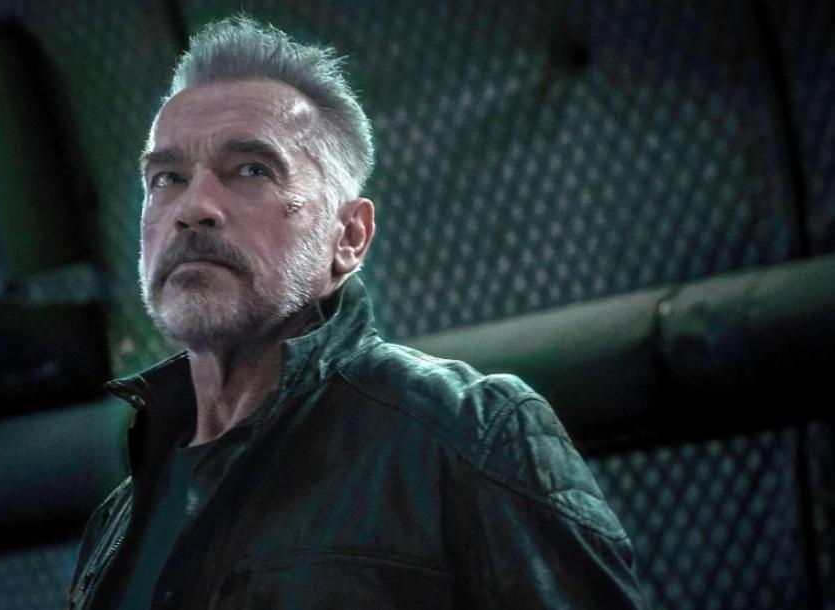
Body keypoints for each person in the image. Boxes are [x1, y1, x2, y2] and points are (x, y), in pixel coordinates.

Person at [68, 16, 644, 609]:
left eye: (252, 170)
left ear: (349, 236)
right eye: (167, 178)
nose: (193, 208)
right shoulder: (121, 519)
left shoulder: (471, 435)